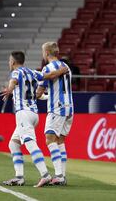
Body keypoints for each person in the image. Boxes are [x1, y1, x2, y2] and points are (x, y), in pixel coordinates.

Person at [0, 51, 67, 187]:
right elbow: (48, 76)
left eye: (9, 61)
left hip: (23, 113)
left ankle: (45, 175)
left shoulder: (16, 72)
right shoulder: (32, 72)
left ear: (13, 62)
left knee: (31, 144)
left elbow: (13, 81)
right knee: (13, 144)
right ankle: (19, 176)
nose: (9, 63)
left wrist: (9, 89)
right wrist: (61, 70)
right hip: (34, 115)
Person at [36, 42, 74, 186]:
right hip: (70, 108)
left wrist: (39, 95)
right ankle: (62, 175)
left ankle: (58, 175)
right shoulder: (66, 67)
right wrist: (48, 96)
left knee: (50, 140)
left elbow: (39, 92)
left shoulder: (48, 68)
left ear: (46, 52)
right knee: (60, 141)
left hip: (57, 108)